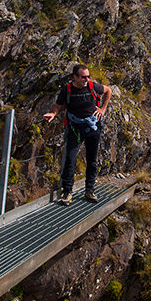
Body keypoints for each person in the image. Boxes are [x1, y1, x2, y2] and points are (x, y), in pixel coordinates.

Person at [44, 64, 112, 204]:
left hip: (93, 127)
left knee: (92, 160)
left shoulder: (92, 86)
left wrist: (103, 109)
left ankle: (89, 190)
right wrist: (53, 113)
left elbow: (108, 90)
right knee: (70, 159)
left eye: (88, 76)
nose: (86, 79)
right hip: (75, 128)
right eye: (83, 77)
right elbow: (58, 105)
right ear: (75, 77)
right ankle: (67, 192)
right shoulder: (67, 89)